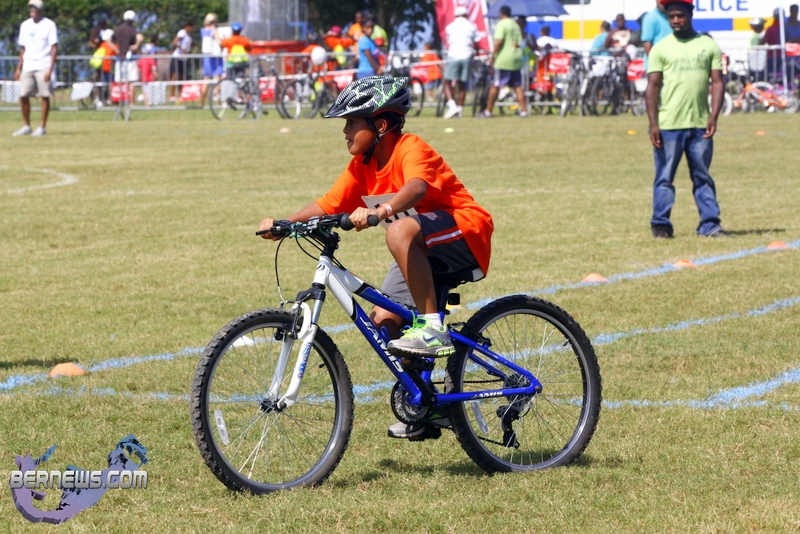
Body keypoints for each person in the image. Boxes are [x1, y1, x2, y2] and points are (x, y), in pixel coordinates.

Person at [257, 76, 493, 439]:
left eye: (352, 122)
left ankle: (432, 328)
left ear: (380, 125)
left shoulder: (410, 147)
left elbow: (417, 187)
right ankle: (427, 406)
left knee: (397, 231)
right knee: (384, 321)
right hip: (420, 250)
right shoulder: (362, 166)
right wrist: (286, 224)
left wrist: (381, 211)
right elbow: (328, 205)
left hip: (464, 233)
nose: (345, 131)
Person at [646, 0, 727, 238]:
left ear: (690, 15)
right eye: (671, 17)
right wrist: (653, 124)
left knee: (703, 177)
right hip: (669, 125)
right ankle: (661, 225)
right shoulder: (660, 48)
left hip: (700, 125)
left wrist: (713, 116)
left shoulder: (708, 44)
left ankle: (710, 225)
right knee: (664, 178)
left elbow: (718, 82)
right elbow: (652, 87)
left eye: (680, 16)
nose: (675, 20)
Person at [12, 0, 58, 137]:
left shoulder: (49, 25)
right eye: (31, 7)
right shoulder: (25, 25)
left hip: (44, 64)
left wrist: (50, 68)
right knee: (23, 95)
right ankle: (27, 126)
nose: (33, 10)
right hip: (28, 65)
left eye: (35, 8)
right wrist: (18, 68)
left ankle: (42, 127)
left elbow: (54, 47)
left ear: (41, 10)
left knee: (44, 95)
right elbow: (23, 48)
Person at [480, 5, 527, 118]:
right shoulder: (515, 25)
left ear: (501, 14)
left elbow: (499, 41)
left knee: (495, 85)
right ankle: (524, 111)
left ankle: (488, 111)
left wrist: (493, 55)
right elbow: (519, 42)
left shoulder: (502, 24)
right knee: (517, 86)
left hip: (504, 59)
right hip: (516, 59)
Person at [442, 5, 479, 119]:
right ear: (466, 15)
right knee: (463, 84)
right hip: (467, 56)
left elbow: (448, 41)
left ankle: (452, 105)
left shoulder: (450, 27)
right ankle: (460, 109)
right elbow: (476, 43)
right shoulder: (472, 26)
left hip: (454, 56)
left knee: (447, 82)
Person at [114, 10, 142, 105]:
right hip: (130, 59)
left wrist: (116, 49)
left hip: (120, 59)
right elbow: (140, 38)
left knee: (121, 82)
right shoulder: (132, 29)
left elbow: (109, 40)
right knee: (131, 82)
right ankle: (132, 102)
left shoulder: (118, 29)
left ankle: (121, 102)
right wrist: (136, 45)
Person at [200, 13, 224, 105]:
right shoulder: (214, 30)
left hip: (206, 57)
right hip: (215, 57)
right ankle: (217, 102)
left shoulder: (203, 30)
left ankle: (201, 102)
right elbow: (219, 42)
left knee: (206, 80)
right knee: (217, 79)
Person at [169, 20, 194, 102]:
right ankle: (172, 96)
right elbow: (175, 42)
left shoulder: (189, 36)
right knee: (174, 77)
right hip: (177, 57)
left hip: (183, 59)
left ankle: (180, 95)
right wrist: (182, 49)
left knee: (181, 78)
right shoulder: (182, 32)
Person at [91, 29, 117, 107]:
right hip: (105, 68)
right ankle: (107, 99)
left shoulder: (104, 44)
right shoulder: (108, 45)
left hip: (103, 67)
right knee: (107, 84)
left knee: (102, 83)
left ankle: (101, 99)